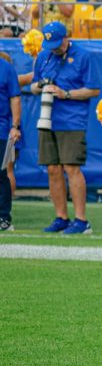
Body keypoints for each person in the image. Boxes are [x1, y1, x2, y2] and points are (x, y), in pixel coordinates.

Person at [24, 22, 101, 235]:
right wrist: (41, 86)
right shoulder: (43, 55)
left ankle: (82, 220)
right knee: (52, 169)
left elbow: (93, 90)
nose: (55, 48)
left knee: (71, 168)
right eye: (51, 44)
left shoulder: (83, 55)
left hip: (72, 120)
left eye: (57, 44)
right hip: (47, 118)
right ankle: (61, 217)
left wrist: (65, 93)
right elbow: (32, 87)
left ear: (67, 37)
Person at [0, 51, 19, 232]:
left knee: (1, 172)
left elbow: (15, 97)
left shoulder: (6, 68)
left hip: (1, 128)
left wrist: (15, 125)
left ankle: (4, 217)